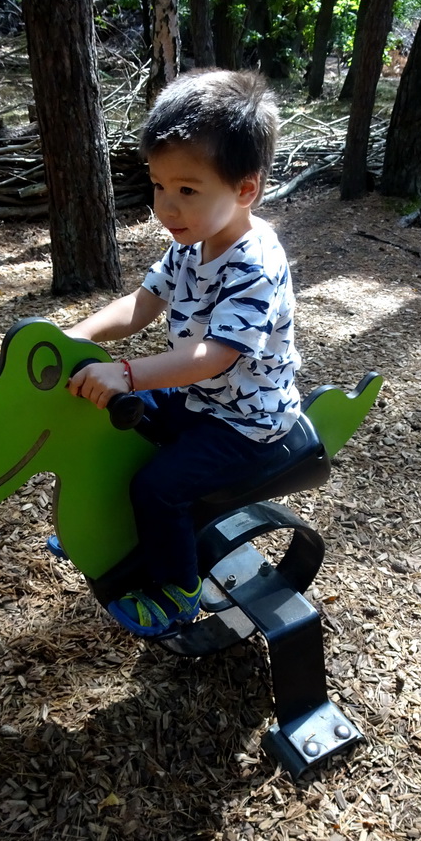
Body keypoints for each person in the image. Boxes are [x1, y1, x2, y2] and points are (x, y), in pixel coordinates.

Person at [66, 68, 301, 638]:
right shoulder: (190, 243)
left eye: (187, 190)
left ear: (246, 189)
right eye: (159, 186)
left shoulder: (254, 265)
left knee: (159, 485)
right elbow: (141, 305)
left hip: (245, 421)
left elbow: (211, 357)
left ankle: (177, 591)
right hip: (203, 399)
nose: (166, 208)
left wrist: (125, 372)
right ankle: (125, 534)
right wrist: (80, 335)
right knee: (130, 426)